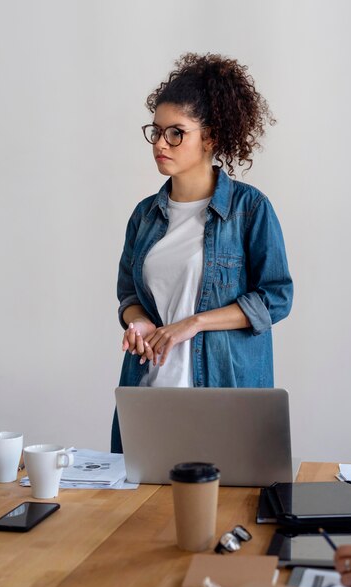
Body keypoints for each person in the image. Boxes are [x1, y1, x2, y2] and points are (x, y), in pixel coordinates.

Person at [111, 52, 293, 452]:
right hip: (150, 394)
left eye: (176, 133)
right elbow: (128, 294)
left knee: (227, 511)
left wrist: (194, 323)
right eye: (156, 131)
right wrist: (138, 322)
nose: (161, 143)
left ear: (210, 137)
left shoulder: (250, 210)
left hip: (223, 399)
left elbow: (276, 298)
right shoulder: (145, 215)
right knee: (137, 512)